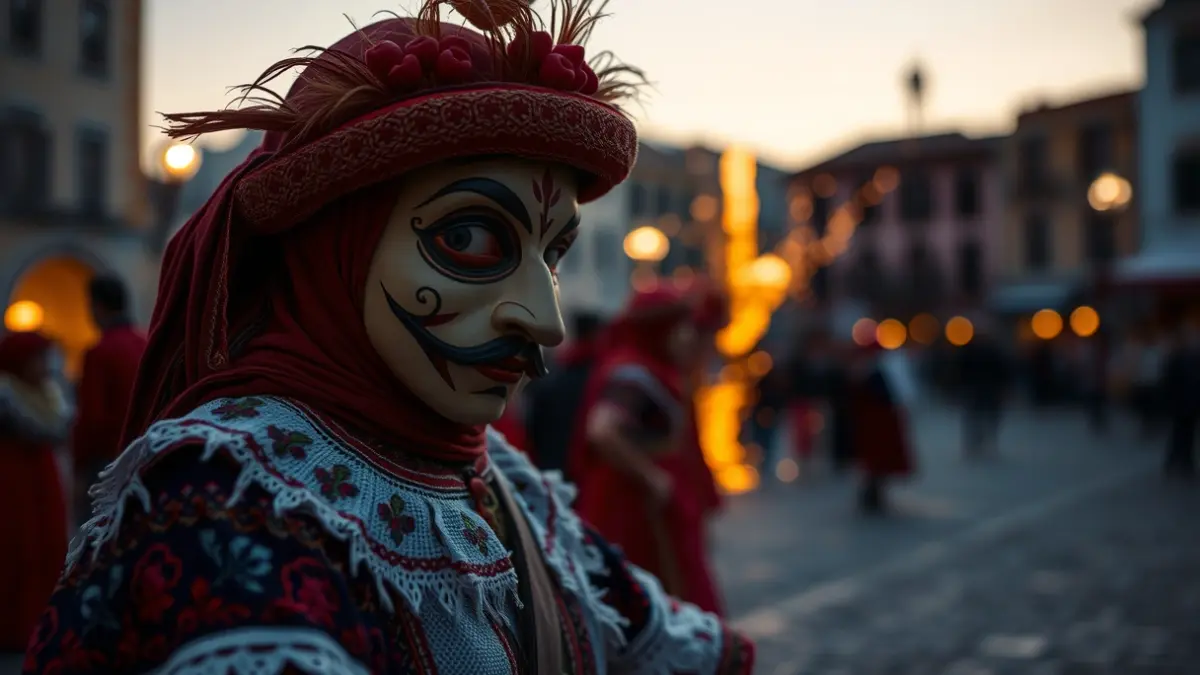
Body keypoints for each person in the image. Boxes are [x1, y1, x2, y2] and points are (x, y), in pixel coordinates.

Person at [24, 5, 754, 674]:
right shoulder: (233, 495)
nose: (543, 319)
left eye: (553, 254)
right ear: (335, 247)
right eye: (469, 237)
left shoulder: (499, 478)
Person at [570, 285, 725, 615]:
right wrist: (652, 478)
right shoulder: (632, 373)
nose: (687, 337)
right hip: (636, 511)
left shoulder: (654, 370)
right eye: (681, 328)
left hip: (649, 505)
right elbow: (602, 430)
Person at [0, 332, 70, 653]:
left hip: (41, 479)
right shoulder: (6, 394)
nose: (44, 366)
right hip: (14, 482)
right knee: (19, 549)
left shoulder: (47, 393)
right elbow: (44, 429)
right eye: (38, 359)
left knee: (47, 545)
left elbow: (60, 427)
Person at [72, 274, 147, 521]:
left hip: (106, 462)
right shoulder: (145, 343)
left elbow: (91, 418)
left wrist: (79, 465)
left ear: (98, 306)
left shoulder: (99, 353)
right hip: (145, 454)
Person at [524, 312, 604, 475]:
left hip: (547, 464)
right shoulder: (601, 377)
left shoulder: (555, 373)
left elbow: (533, 427)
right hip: (582, 470)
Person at [847, 343, 915, 513]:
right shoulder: (869, 373)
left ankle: (874, 494)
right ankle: (871, 495)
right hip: (872, 425)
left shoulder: (875, 373)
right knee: (874, 463)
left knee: (878, 463)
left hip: (878, 424)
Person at [956, 325, 1010, 458]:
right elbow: (960, 371)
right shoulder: (970, 352)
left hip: (988, 389)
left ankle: (985, 441)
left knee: (988, 417)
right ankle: (974, 443)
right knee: (974, 418)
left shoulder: (993, 352)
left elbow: (1003, 371)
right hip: (974, 389)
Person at [1162, 323, 1200, 478]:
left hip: (1190, 403)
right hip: (1180, 404)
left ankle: (1186, 461)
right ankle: (1174, 461)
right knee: (1178, 434)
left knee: (1188, 434)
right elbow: (1170, 383)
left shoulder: (1193, 358)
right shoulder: (1177, 358)